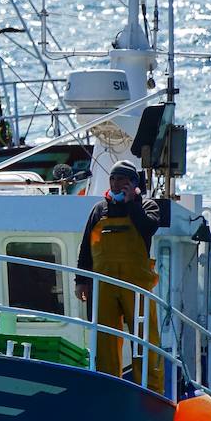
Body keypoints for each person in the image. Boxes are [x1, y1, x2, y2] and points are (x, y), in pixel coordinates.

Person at [74, 159, 163, 392]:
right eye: (112, 179)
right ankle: (109, 389)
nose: (115, 183)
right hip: (104, 286)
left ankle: (151, 391)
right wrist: (81, 281)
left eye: (121, 179)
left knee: (146, 340)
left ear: (134, 183)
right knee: (105, 341)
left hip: (137, 287)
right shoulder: (99, 210)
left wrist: (132, 203)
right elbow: (86, 247)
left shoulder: (148, 206)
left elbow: (148, 228)